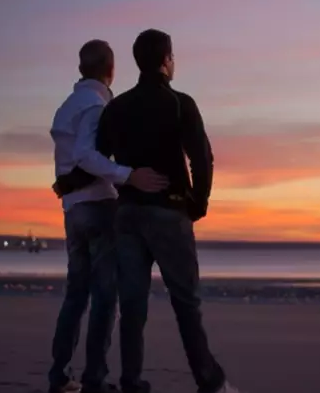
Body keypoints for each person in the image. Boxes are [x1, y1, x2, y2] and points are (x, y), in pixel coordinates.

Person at [98, 29, 240, 393]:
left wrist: (126, 178)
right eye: (172, 57)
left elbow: (98, 158)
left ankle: (131, 380)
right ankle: (210, 381)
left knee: (132, 304)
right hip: (168, 213)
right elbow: (202, 158)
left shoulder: (116, 107)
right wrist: (198, 203)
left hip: (128, 214)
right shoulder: (180, 103)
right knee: (186, 302)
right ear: (166, 60)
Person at [48, 39, 167, 393]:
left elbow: (70, 159)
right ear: (111, 69)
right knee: (104, 296)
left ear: (81, 68)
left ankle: (60, 375)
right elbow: (86, 155)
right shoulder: (96, 105)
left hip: (73, 209)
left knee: (76, 295)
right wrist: (127, 175)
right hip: (99, 205)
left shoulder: (66, 107)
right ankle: (94, 379)